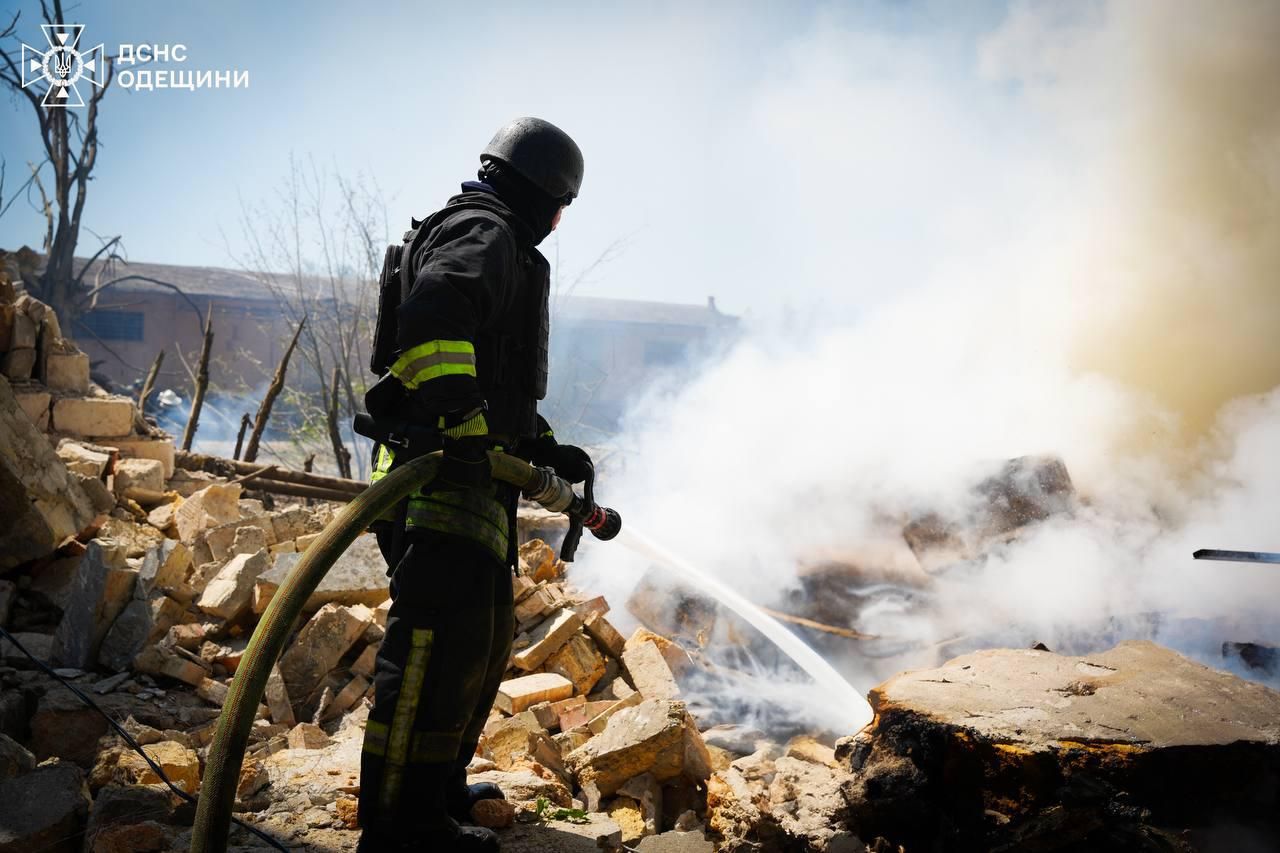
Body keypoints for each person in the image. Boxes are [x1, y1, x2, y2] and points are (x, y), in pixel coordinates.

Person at [356, 117, 595, 853]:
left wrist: (541, 447)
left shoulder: (495, 239)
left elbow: (492, 375)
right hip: (436, 480)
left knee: (477, 648)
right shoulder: (485, 233)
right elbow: (433, 317)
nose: (556, 223)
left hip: (472, 484)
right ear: (544, 196)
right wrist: (459, 417)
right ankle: (399, 827)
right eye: (560, 209)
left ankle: (434, 792)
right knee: (430, 654)